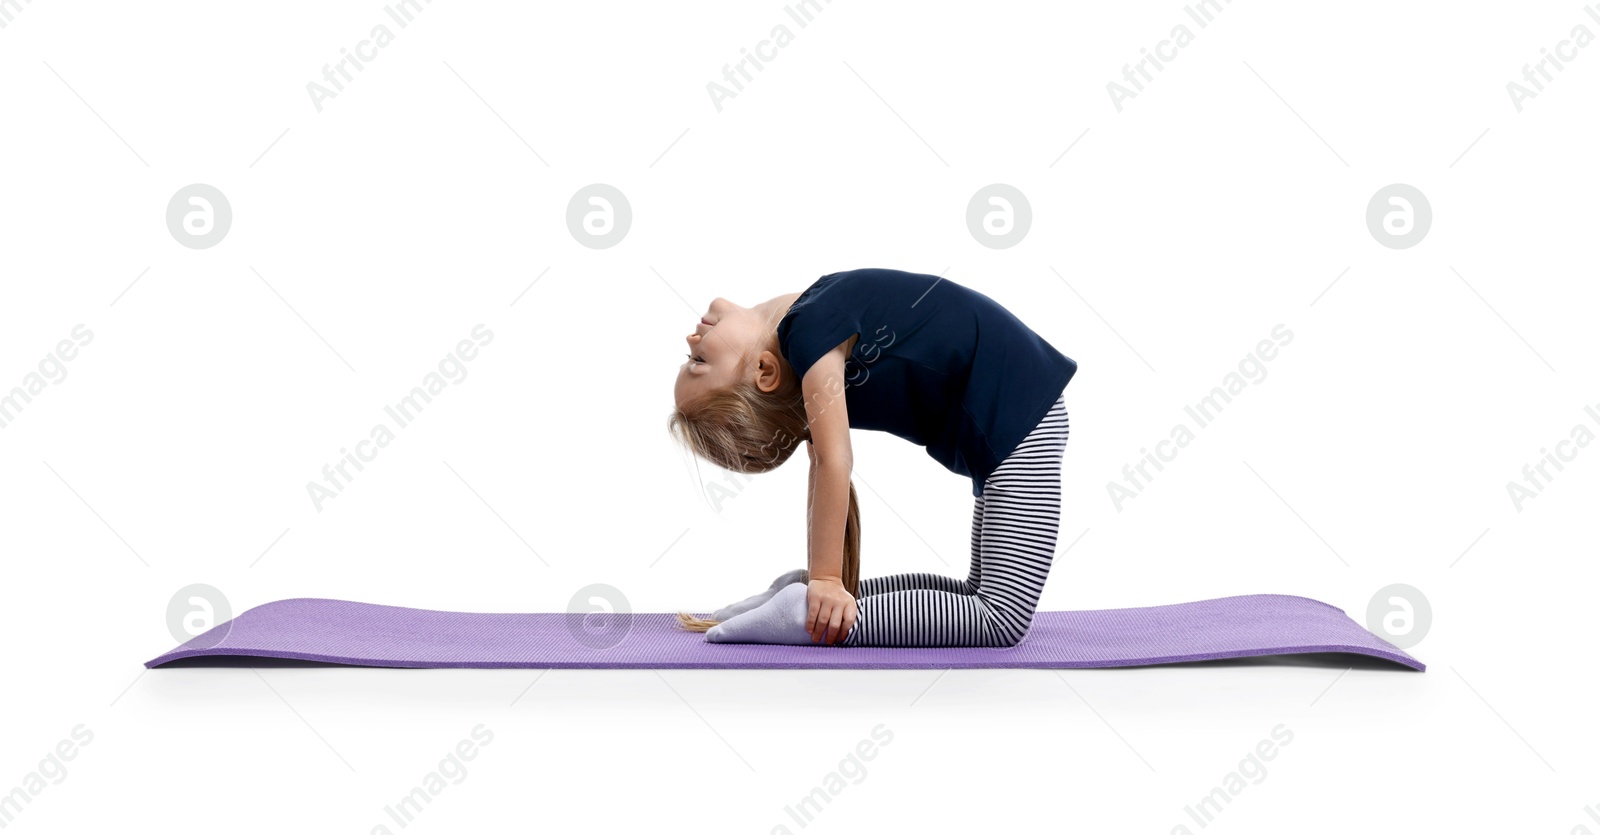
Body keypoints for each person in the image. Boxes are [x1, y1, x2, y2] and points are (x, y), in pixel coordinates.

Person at [668, 268, 1075, 648]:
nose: (691, 343)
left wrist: (824, 579)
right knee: (999, 617)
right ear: (765, 371)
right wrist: (824, 580)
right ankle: (807, 613)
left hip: (1009, 415)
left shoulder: (811, 322)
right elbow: (830, 461)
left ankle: (806, 604)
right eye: (700, 362)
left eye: (693, 360)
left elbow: (830, 461)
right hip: (1020, 418)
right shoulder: (810, 331)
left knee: (986, 605)